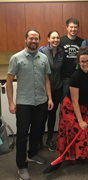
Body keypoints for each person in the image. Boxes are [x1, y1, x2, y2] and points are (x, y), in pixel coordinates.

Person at [6, 29, 54, 180]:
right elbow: (9, 81)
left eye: (36, 39)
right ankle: (21, 166)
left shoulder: (44, 58)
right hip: (24, 103)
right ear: (25, 39)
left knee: (37, 130)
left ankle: (33, 153)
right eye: (31, 38)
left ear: (39, 40)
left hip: (41, 101)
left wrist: (50, 98)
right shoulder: (16, 58)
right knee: (22, 135)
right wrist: (11, 102)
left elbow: (46, 79)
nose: (33, 41)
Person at [56, 47, 88, 162]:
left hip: (83, 107)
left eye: (87, 61)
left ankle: (82, 153)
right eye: (82, 61)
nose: (85, 64)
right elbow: (74, 101)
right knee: (77, 129)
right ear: (79, 62)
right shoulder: (75, 77)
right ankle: (71, 154)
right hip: (69, 107)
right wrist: (80, 121)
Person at [38, 30, 63, 151]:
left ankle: (49, 140)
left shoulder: (61, 53)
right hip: (44, 89)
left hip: (57, 88)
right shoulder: (42, 52)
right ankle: (38, 141)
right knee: (42, 115)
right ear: (48, 39)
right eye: (53, 38)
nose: (55, 40)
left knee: (52, 114)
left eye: (57, 38)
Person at [59, 18, 84, 100]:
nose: (73, 29)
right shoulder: (60, 41)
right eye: (71, 27)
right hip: (65, 78)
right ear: (67, 27)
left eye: (75, 27)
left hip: (79, 77)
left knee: (78, 101)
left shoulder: (82, 42)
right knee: (66, 102)